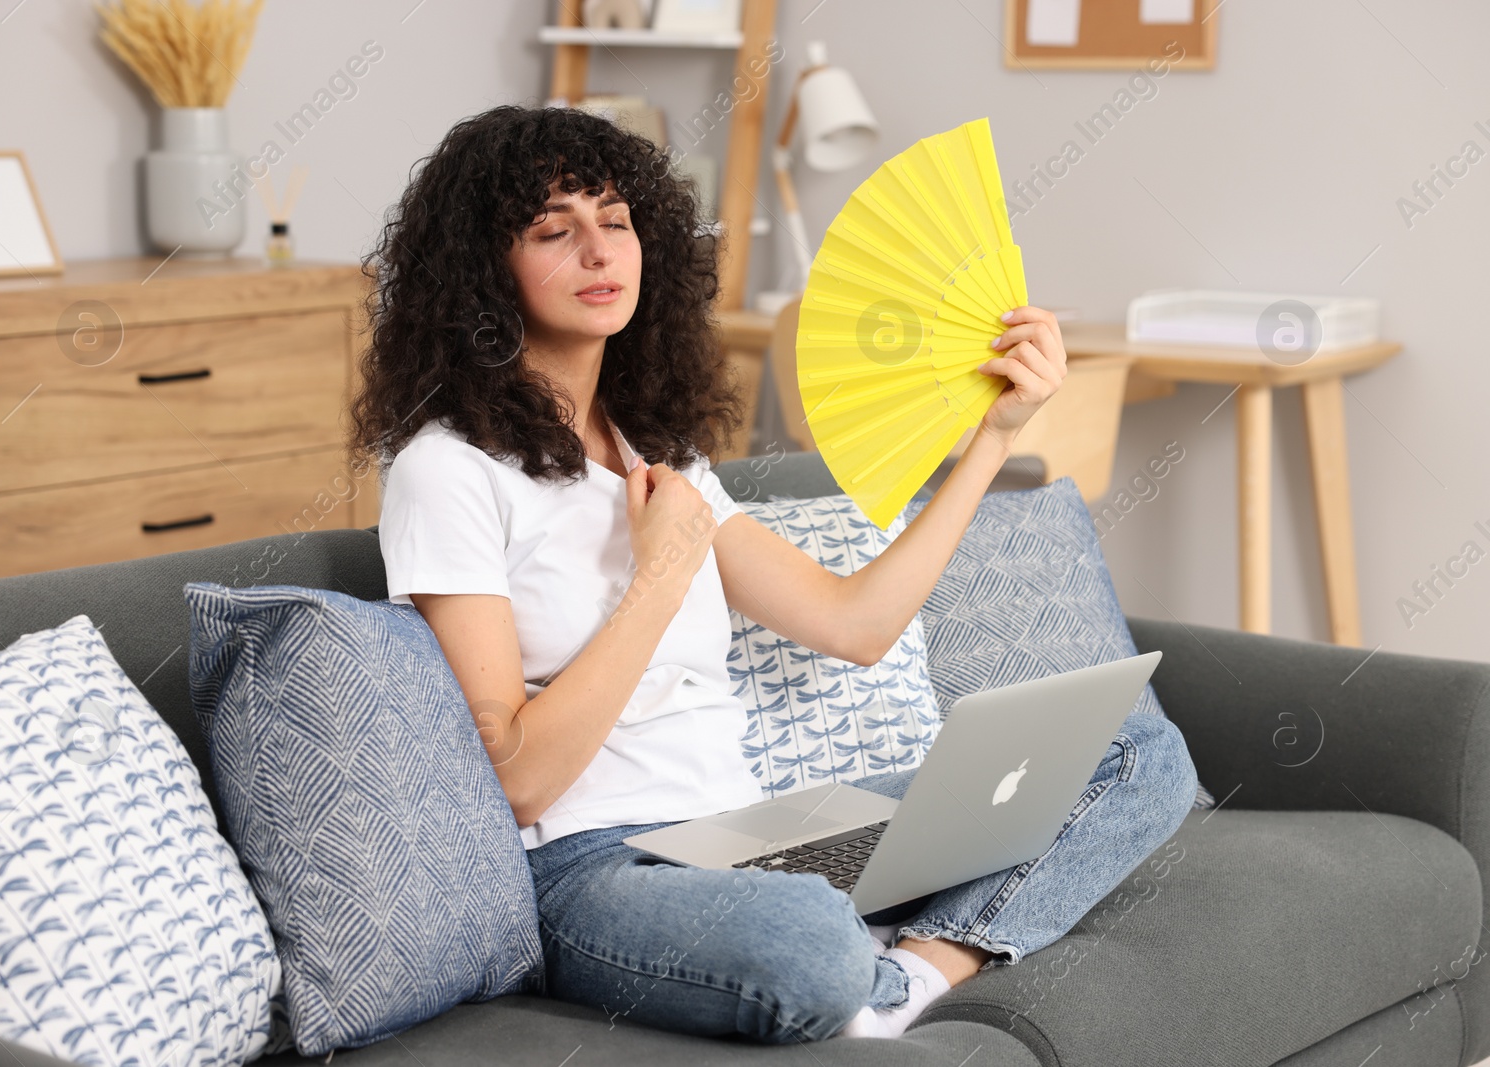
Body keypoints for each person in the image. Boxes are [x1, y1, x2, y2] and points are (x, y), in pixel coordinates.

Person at [350, 104, 1199, 1044]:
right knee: (808, 946)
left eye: (617, 221)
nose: (599, 252)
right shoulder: (448, 470)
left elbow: (856, 625)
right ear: (482, 275)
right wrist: (663, 571)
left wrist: (994, 441)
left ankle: (919, 973)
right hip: (596, 871)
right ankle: (858, 961)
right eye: (555, 230)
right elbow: (515, 777)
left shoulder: (657, 456)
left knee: (1135, 752)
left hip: (748, 836)